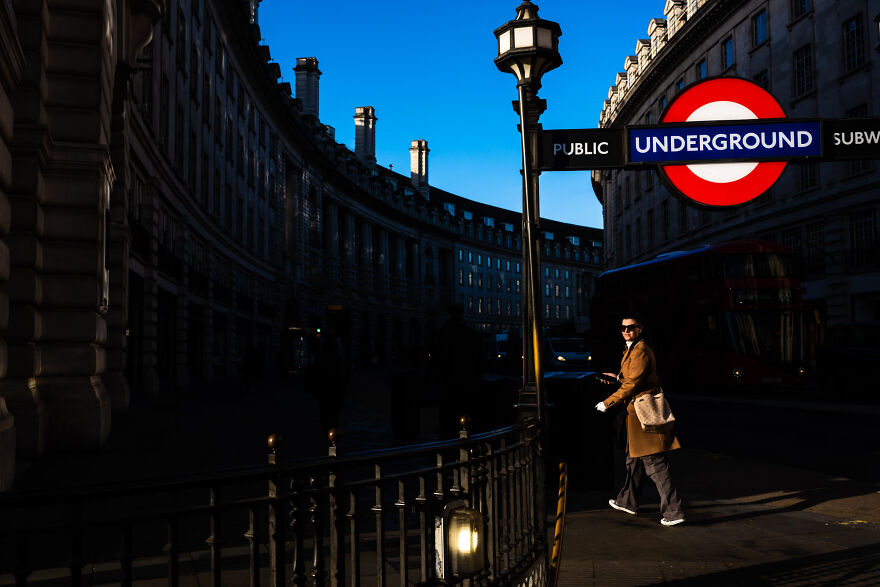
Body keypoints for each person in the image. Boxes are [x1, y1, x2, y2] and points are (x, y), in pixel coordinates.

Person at [595, 315, 685, 526]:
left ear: (640, 329)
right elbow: (633, 378)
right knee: (633, 461)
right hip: (635, 413)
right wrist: (617, 378)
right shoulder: (631, 349)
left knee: (655, 464)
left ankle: (674, 512)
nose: (626, 330)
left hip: (643, 413)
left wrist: (607, 403)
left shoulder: (641, 350)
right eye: (623, 327)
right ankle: (628, 501)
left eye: (631, 327)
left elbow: (632, 385)